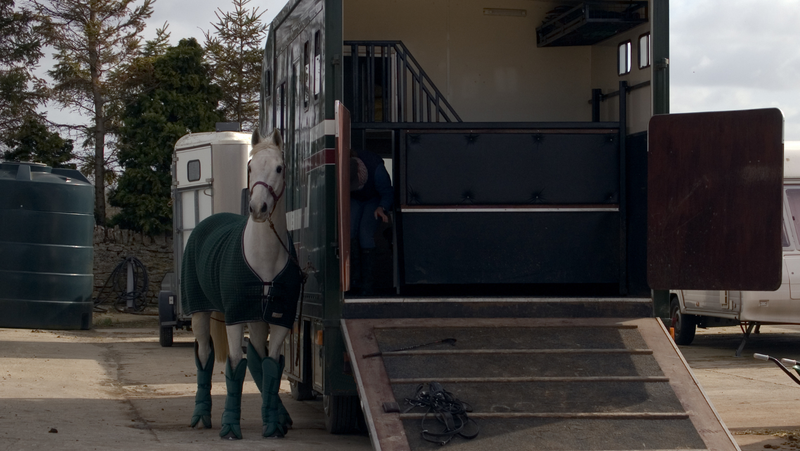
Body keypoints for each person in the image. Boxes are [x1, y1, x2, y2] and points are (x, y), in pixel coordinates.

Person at [350, 148, 393, 295]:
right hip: (354, 199)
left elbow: (387, 192)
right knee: (348, 230)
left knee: (365, 233)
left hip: (374, 199)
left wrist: (382, 207)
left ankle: (367, 284)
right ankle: (353, 279)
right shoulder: (348, 167)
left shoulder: (376, 169)